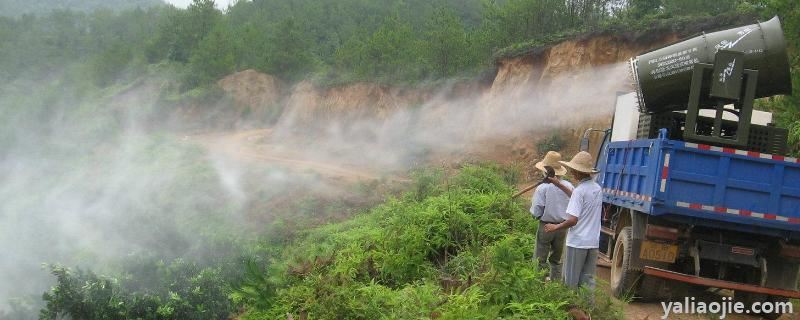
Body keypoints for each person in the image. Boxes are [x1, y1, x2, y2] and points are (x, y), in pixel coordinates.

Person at [543, 151, 602, 290]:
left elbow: (573, 220)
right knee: (588, 281)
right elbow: (578, 198)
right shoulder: (597, 189)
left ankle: (570, 309)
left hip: (577, 243)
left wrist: (555, 227)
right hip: (592, 242)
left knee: (570, 282)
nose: (571, 172)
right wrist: (558, 184)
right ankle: (588, 309)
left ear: (578, 172)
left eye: (573, 170)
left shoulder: (580, 191)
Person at [530, 151, 573, 282]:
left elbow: (537, 208)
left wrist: (535, 216)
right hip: (562, 227)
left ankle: (539, 283)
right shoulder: (569, 186)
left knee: (540, 257)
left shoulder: (543, 188)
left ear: (545, 172)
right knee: (556, 258)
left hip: (546, 226)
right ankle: (555, 284)